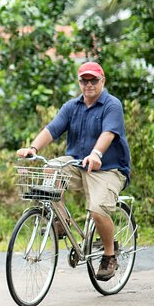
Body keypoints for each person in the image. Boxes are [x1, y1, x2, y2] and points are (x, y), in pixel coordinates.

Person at [16, 61, 131, 281]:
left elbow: (108, 133)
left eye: (93, 80)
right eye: (84, 80)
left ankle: (109, 255)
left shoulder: (111, 104)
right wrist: (33, 148)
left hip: (108, 169)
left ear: (102, 80)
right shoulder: (72, 106)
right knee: (51, 169)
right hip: (79, 164)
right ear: (79, 82)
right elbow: (52, 128)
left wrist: (96, 154)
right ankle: (60, 222)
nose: (89, 85)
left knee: (97, 210)